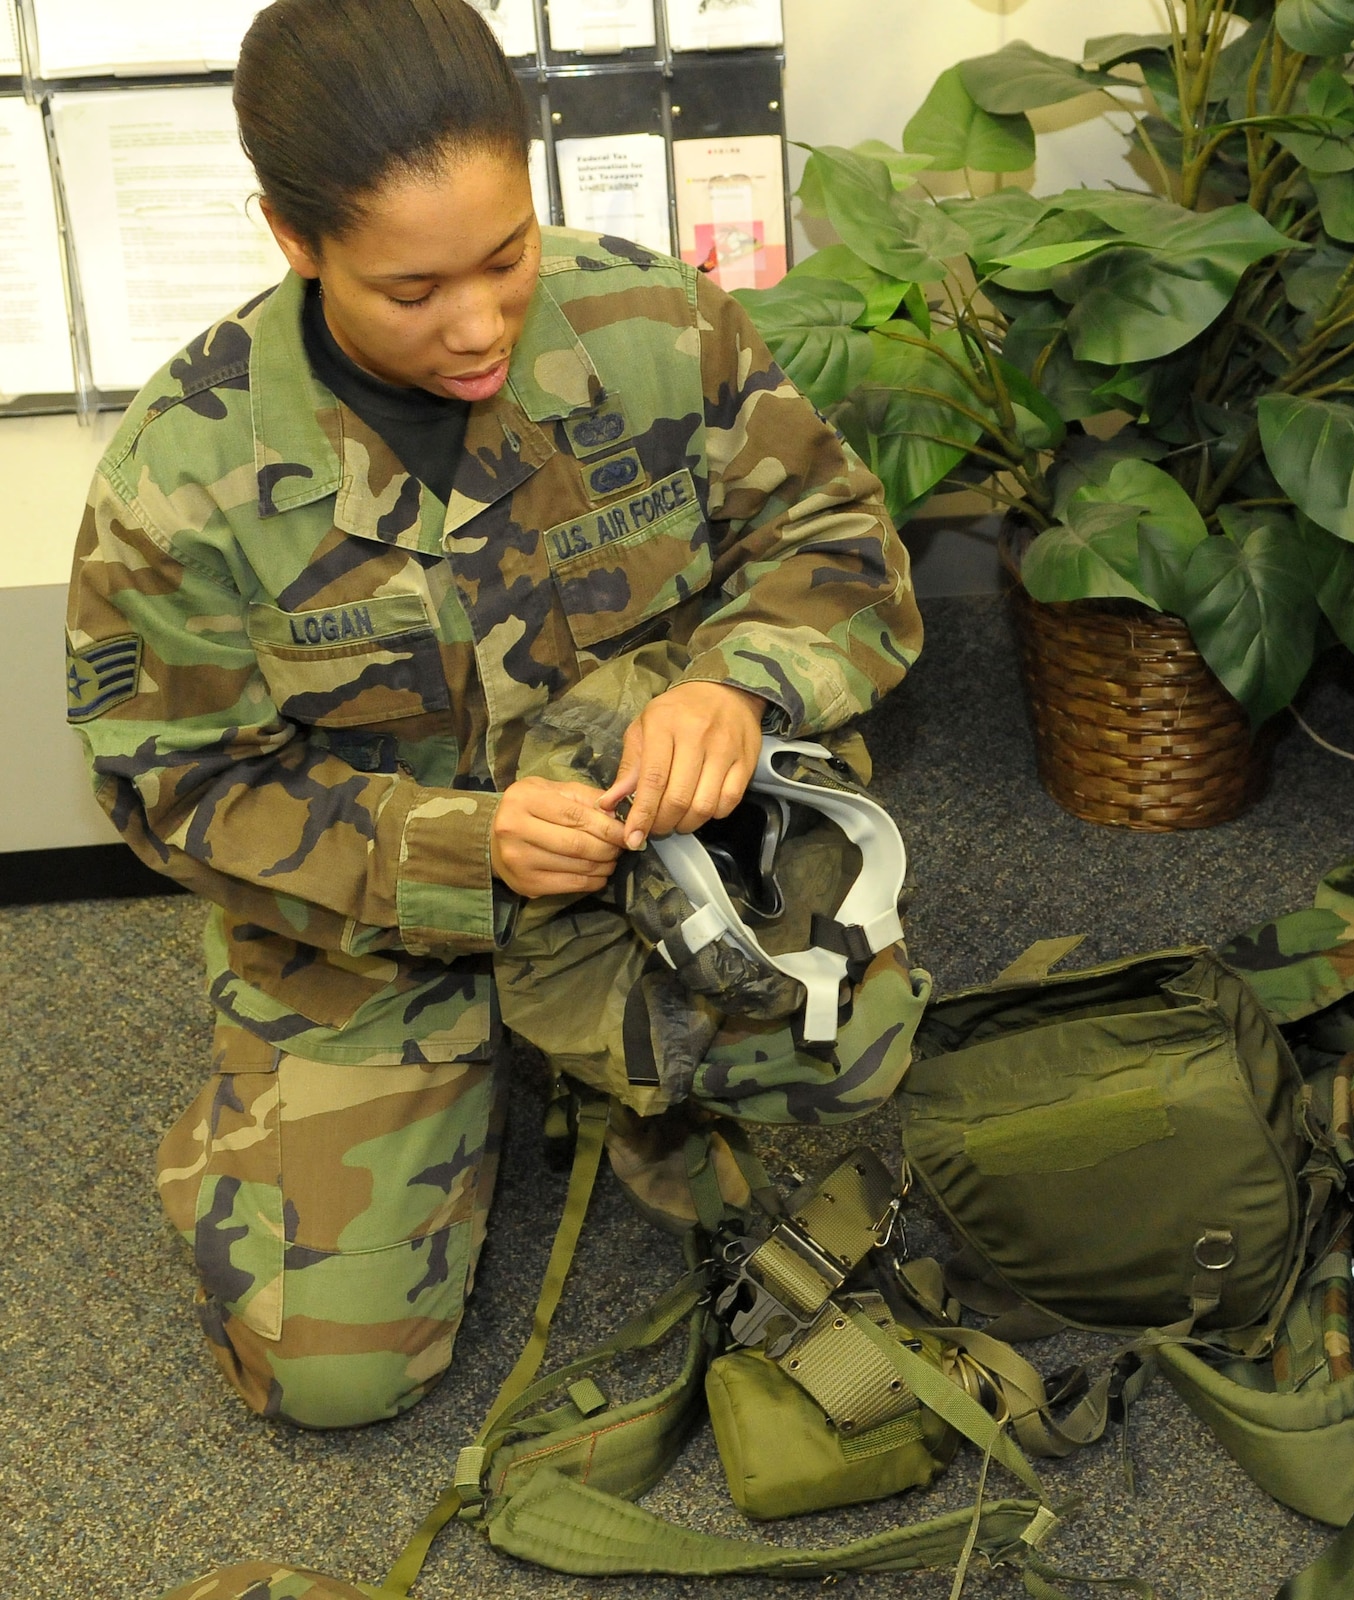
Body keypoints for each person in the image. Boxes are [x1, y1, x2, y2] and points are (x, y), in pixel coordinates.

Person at [63, 0, 920, 1430]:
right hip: (387, 912)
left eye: (508, 256)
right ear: (293, 238)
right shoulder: (184, 480)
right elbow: (177, 788)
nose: (479, 326)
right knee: (331, 1383)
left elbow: (836, 542)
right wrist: (458, 853)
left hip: (658, 862)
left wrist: (733, 684)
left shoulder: (655, 326)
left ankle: (601, 1062)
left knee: (855, 1055)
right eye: (410, 290)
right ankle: (314, 1101)